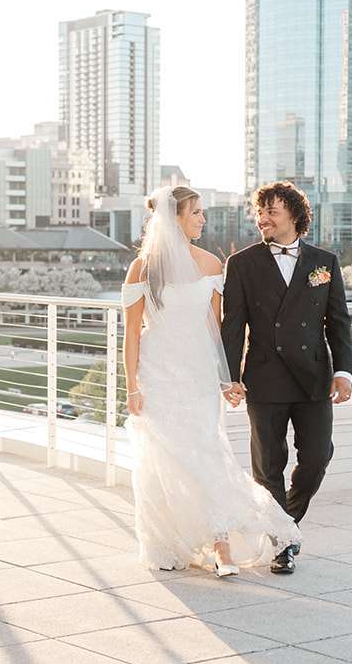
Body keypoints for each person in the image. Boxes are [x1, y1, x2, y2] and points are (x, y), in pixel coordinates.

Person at [122, 185, 300, 576]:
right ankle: (169, 539)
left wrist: (226, 380)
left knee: (206, 453)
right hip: (158, 372)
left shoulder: (211, 264)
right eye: (197, 213)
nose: (204, 219)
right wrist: (132, 387)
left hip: (198, 371)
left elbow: (217, 330)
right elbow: (132, 333)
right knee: (165, 458)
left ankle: (222, 547)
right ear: (176, 218)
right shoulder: (143, 268)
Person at [220, 181, 352, 574]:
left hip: (314, 377)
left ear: (294, 216)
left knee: (316, 456)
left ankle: (286, 525)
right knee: (268, 466)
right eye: (260, 212)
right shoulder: (242, 263)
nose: (262, 219)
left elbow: (339, 323)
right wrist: (230, 377)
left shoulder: (324, 262)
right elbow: (233, 325)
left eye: (272, 212)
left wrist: (344, 372)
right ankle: (282, 544)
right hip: (264, 376)